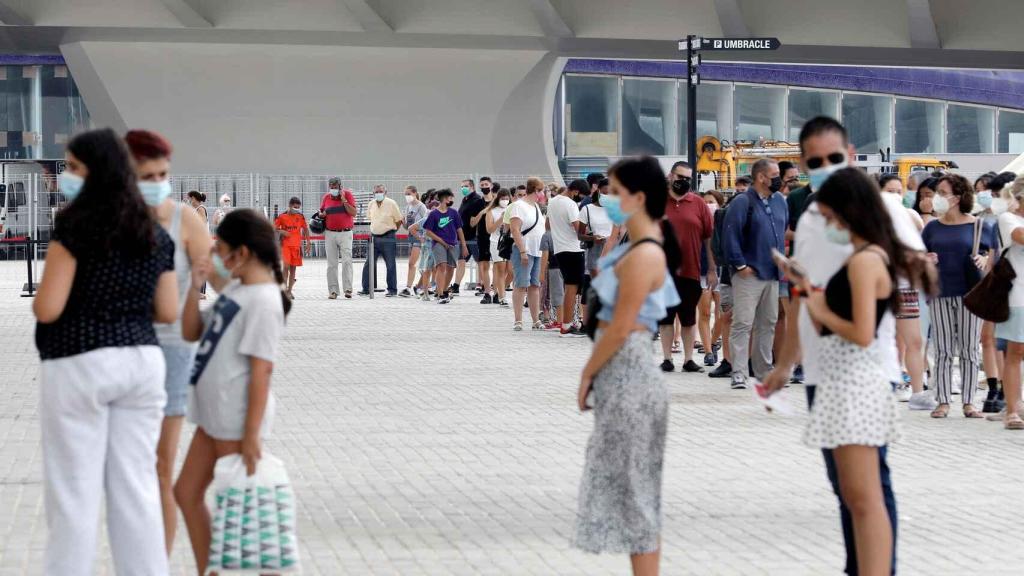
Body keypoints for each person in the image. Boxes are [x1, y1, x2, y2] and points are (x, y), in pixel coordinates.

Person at [766, 117, 916, 576]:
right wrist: (783, 365)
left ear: (851, 155)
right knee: (846, 488)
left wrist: (912, 351)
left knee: (870, 489)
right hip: (821, 370)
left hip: (863, 369)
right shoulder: (812, 216)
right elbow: (801, 301)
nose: (826, 167)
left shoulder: (881, 212)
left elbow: (909, 282)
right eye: (815, 162)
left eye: (834, 158)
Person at [34, 128, 178, 575]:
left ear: (97, 172)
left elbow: (48, 306)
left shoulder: (74, 228)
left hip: (79, 362)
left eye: (74, 167)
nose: (66, 176)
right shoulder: (155, 235)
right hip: (142, 363)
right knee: (136, 488)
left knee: (74, 491)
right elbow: (168, 309)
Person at [789, 167, 934, 576]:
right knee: (856, 495)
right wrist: (811, 293)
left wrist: (816, 305)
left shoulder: (866, 259)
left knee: (864, 497)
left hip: (856, 382)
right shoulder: (866, 255)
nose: (828, 224)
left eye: (831, 216)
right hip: (846, 381)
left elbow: (862, 333)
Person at [573, 156, 680, 576]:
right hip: (622, 371)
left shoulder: (644, 252)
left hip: (629, 370)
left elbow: (621, 327)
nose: (608, 198)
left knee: (636, 490)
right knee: (629, 486)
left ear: (638, 197)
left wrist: (587, 372)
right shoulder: (637, 246)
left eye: (615, 192)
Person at [175, 209, 290, 575]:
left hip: (235, 420)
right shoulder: (238, 289)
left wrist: (252, 435)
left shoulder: (265, 301)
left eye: (220, 250)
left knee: (234, 513)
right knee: (186, 493)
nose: (217, 258)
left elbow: (262, 371)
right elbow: (192, 331)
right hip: (213, 414)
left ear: (241, 253)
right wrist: (194, 286)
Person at [126, 129, 213, 556]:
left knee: (161, 466)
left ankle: (156, 562)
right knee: (128, 468)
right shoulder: (107, 221)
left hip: (174, 351)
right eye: (148, 175)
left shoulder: (185, 219)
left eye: (164, 174)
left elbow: (220, 276)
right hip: (121, 353)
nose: (158, 183)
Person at [922, 174, 995, 418]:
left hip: (970, 294)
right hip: (940, 292)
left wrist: (984, 259)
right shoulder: (932, 227)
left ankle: (969, 402)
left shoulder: (978, 225)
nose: (937, 197)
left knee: (969, 349)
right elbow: (920, 256)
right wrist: (926, 260)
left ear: (958, 197)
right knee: (942, 349)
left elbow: (989, 256)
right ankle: (942, 400)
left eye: (942, 192)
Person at [722, 158, 787, 389]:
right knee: (743, 323)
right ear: (761, 177)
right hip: (749, 274)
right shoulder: (742, 202)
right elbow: (730, 235)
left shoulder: (780, 201)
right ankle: (739, 372)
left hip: (772, 274)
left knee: (768, 322)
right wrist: (740, 265)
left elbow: (782, 231)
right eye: (775, 174)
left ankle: (763, 370)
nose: (779, 179)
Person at [878, 174, 933, 408]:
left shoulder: (910, 216)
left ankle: (918, 391)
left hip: (905, 286)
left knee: (914, 340)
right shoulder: (870, 218)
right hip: (878, 286)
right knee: (880, 339)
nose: (895, 196)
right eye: (889, 191)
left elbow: (924, 240)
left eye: (898, 191)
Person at [660, 161, 716, 373]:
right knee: (665, 317)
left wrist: (711, 269)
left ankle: (689, 359)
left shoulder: (698, 203)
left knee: (689, 317)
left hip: (691, 269)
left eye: (687, 179)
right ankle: (667, 358)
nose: (682, 182)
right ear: (671, 175)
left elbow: (708, 238)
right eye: (679, 177)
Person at [995, 175, 1024, 429]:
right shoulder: (1008, 219)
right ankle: (1012, 410)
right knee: (1015, 352)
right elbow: (1020, 237)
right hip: (1017, 296)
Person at [548, 179, 587, 337]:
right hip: (573, 248)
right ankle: (566, 325)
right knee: (572, 287)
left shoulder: (553, 201)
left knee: (570, 287)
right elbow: (579, 229)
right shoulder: (570, 204)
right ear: (576, 191)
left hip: (560, 248)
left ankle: (568, 321)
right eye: (582, 196)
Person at [509, 178, 547, 331]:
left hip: (537, 250)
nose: (543, 193)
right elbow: (515, 229)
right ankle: (518, 320)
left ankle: (535, 320)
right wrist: (523, 251)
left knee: (534, 285)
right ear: (536, 190)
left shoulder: (536, 206)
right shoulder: (518, 206)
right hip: (524, 250)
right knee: (521, 284)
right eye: (542, 190)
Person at [423, 189, 469, 304]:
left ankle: (444, 289)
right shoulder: (433, 214)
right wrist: (441, 241)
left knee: (450, 268)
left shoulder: (454, 213)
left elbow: (459, 230)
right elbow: (428, 231)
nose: (452, 200)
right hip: (438, 244)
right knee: (441, 266)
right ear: (444, 199)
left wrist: (464, 245)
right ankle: (440, 293)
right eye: (450, 198)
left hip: (453, 244)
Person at [361, 184, 403, 297]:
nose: (378, 194)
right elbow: (370, 218)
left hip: (388, 237)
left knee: (390, 264)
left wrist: (392, 231)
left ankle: (392, 289)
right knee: (369, 263)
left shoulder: (391, 203)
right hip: (374, 237)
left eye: (380, 191)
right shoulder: (371, 204)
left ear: (385, 192)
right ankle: (366, 288)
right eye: (376, 192)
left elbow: (399, 220)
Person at [699, 190, 726, 366]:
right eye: (705, 202)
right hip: (702, 270)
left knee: (722, 314)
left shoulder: (725, 220)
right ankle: (708, 351)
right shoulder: (698, 222)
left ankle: (715, 341)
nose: (708, 205)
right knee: (705, 312)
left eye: (711, 201)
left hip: (722, 270)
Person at [319, 177, 356, 299]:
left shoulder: (348, 195)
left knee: (346, 261)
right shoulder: (326, 197)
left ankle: (348, 289)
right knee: (332, 264)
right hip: (330, 233)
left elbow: (353, 213)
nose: (333, 189)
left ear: (340, 187)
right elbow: (321, 212)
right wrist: (322, 214)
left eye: (335, 187)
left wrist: (344, 200)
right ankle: (333, 291)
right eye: (331, 187)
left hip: (345, 233)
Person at [274, 196, 311, 298]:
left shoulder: (300, 216)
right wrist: (283, 231)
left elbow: (305, 229)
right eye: (295, 207)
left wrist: (308, 242)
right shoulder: (282, 217)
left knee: (293, 269)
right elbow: (274, 228)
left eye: (298, 208)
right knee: (285, 267)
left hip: (296, 246)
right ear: (289, 206)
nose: (296, 210)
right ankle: (284, 289)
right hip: (285, 246)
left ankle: (289, 291)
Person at [578, 179, 613, 278]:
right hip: (595, 251)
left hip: (612, 250)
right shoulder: (587, 209)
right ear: (598, 191)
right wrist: (593, 238)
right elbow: (580, 235)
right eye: (605, 192)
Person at [454, 178, 483, 295]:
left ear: (472, 187)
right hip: (462, 237)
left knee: (479, 261)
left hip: (473, 237)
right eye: (462, 186)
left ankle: (481, 284)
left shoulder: (477, 200)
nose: (463, 188)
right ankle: (456, 285)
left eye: (465, 186)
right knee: (461, 261)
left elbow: (476, 220)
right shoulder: (465, 200)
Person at [401, 185, 428, 297]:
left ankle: (414, 286)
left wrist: (421, 236)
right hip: (411, 237)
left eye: (409, 194)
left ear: (415, 193)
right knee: (412, 264)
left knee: (413, 263)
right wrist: (404, 223)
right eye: (405, 194)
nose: (407, 196)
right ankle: (413, 286)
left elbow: (426, 222)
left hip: (419, 237)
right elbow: (408, 226)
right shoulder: (408, 207)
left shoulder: (421, 206)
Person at [486, 188, 511, 306]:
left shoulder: (512, 209)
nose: (505, 201)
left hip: (510, 242)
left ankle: (500, 289)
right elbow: (489, 229)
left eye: (507, 198)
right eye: (502, 198)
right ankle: (502, 296)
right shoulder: (492, 211)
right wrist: (501, 219)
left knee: (511, 271)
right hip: (496, 242)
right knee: (500, 269)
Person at [472, 178, 495, 303]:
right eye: (482, 185)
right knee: (485, 265)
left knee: (500, 266)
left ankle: (497, 291)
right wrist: (481, 213)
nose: (485, 186)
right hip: (482, 236)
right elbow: (472, 222)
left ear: (491, 185)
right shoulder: (477, 203)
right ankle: (487, 292)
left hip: (497, 237)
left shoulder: (497, 201)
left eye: (486, 184)